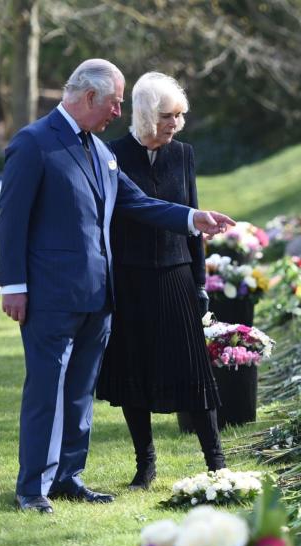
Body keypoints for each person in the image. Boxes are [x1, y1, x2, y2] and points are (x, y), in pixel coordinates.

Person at [0, 59, 235, 514]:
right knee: (47, 390)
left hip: (99, 298)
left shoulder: (100, 151)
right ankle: (32, 489)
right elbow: (11, 222)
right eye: (114, 103)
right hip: (50, 298)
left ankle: (69, 477)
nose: (118, 113)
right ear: (89, 97)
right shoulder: (33, 144)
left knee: (81, 393)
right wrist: (13, 286)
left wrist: (192, 218)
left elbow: (138, 202)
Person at [95, 72, 224, 491]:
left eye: (180, 115)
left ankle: (216, 463)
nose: (176, 124)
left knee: (194, 372)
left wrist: (201, 281)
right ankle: (145, 464)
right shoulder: (111, 154)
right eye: (169, 115)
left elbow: (193, 220)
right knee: (135, 372)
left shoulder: (183, 154)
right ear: (148, 114)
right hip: (129, 278)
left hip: (176, 276)